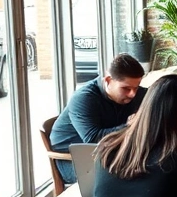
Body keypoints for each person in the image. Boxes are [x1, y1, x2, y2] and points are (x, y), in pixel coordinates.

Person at [48, 53, 147, 184]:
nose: (132, 94)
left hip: (109, 153)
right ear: (108, 80)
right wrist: (132, 125)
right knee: (134, 178)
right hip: (73, 159)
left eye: (136, 87)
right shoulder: (84, 98)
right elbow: (93, 139)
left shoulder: (135, 93)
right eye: (126, 88)